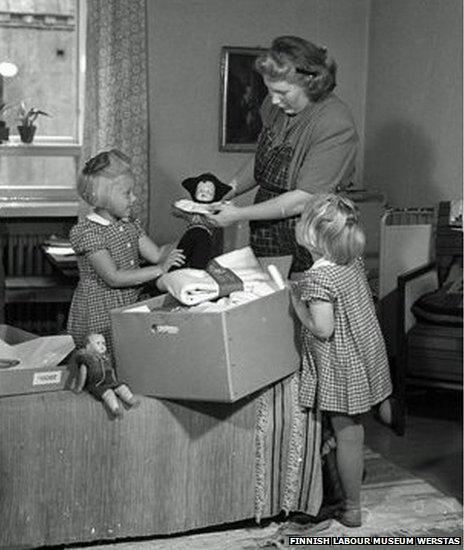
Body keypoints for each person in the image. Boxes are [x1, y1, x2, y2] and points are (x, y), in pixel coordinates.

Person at [290, 194, 402, 527]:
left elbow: (322, 329)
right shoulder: (349, 262)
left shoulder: (319, 279)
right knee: (363, 417)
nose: (294, 224)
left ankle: (351, 507)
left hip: (341, 365)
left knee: (349, 435)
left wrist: (298, 306)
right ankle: (384, 408)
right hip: (366, 351)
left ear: (311, 234)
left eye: (299, 219)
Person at [207, 35, 357, 274]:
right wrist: (228, 189)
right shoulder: (276, 106)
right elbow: (264, 159)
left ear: (311, 84)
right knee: (271, 297)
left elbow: (304, 197)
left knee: (308, 302)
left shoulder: (335, 122)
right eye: (269, 90)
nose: (274, 100)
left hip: (312, 232)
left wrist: (238, 214)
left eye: (282, 92)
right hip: (269, 228)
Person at [67, 149, 185, 355]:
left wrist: (192, 229)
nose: (134, 198)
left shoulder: (129, 224)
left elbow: (157, 254)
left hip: (129, 302)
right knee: (101, 361)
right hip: (99, 310)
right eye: (126, 193)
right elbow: (113, 277)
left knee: (129, 357)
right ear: (103, 195)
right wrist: (160, 269)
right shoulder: (88, 231)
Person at [73, 333, 139, 417]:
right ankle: (115, 409)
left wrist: (115, 381)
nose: (102, 346)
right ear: (88, 347)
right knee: (108, 393)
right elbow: (83, 375)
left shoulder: (106, 358)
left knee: (122, 387)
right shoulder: (86, 360)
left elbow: (111, 370)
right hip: (97, 385)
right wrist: (79, 388)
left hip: (110, 382)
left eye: (103, 343)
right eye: (98, 343)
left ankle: (130, 399)